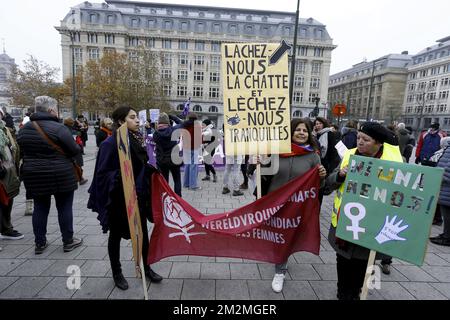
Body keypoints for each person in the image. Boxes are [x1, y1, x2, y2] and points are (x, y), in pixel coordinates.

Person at [325, 122, 403, 300]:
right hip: (345, 224)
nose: (359, 142)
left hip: (371, 228)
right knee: (343, 262)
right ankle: (343, 292)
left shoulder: (393, 164)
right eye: (359, 137)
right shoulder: (349, 156)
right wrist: (339, 175)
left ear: (379, 143)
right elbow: (328, 184)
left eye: (366, 139)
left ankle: (355, 291)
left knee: (362, 266)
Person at [87, 106, 162, 290]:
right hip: (119, 200)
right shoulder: (110, 144)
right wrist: (120, 176)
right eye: (132, 117)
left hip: (139, 196)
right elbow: (102, 175)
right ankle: (117, 273)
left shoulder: (138, 139)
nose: (137, 120)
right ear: (121, 121)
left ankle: (146, 267)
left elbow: (141, 164)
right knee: (115, 237)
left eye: (137, 117)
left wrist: (149, 169)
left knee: (142, 233)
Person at [262, 118, 327, 293]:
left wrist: (321, 176)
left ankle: (280, 267)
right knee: (277, 235)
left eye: (305, 131)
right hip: (274, 203)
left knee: (287, 236)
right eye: (297, 130)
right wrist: (258, 163)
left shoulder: (313, 156)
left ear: (309, 134)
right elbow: (262, 175)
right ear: (290, 132)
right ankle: (279, 264)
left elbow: (320, 186)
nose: (301, 133)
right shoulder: (276, 151)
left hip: (297, 207)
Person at [17, 96, 83, 254]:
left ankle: (39, 243)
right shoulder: (59, 128)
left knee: (40, 207)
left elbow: (21, 149)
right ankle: (68, 241)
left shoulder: (25, 129)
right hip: (61, 173)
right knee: (64, 207)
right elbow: (74, 150)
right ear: (52, 110)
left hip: (34, 174)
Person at [0, 109, 23, 241]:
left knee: (8, 198)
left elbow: (14, 148)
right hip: (2, 170)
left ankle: (6, 228)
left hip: (9, 170)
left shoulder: (5, 130)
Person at [153, 112, 183, 197]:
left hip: (162, 160)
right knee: (177, 179)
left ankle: (166, 197)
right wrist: (173, 116)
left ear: (158, 123)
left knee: (164, 181)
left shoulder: (156, 134)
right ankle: (178, 198)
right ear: (168, 122)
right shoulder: (174, 130)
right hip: (174, 159)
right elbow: (182, 124)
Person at [314, 117, 341, 203]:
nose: (318, 125)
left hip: (325, 166)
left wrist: (329, 167)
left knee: (321, 189)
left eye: (320, 123)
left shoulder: (329, 134)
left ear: (324, 124)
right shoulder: (317, 134)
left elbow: (332, 152)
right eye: (316, 124)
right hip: (318, 164)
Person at [429, 143, 450, 246]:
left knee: (447, 212)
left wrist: (442, 177)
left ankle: (447, 237)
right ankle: (446, 234)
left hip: (447, 184)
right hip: (445, 185)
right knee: (445, 211)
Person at [64, 118, 88, 186]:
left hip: (66, 150)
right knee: (78, 165)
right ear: (71, 123)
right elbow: (76, 140)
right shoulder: (72, 131)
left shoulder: (62, 129)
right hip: (74, 150)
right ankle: (80, 179)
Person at [182, 112, 202, 190]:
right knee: (193, 166)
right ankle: (193, 185)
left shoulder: (184, 125)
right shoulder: (197, 125)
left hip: (186, 147)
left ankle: (186, 183)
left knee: (187, 165)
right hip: (194, 147)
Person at [201, 119, 217, 183]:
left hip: (210, 148)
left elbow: (208, 134)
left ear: (207, 124)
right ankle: (207, 175)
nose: (202, 126)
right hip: (206, 147)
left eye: (203, 124)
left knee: (207, 162)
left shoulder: (210, 129)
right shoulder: (207, 129)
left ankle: (214, 174)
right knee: (206, 162)